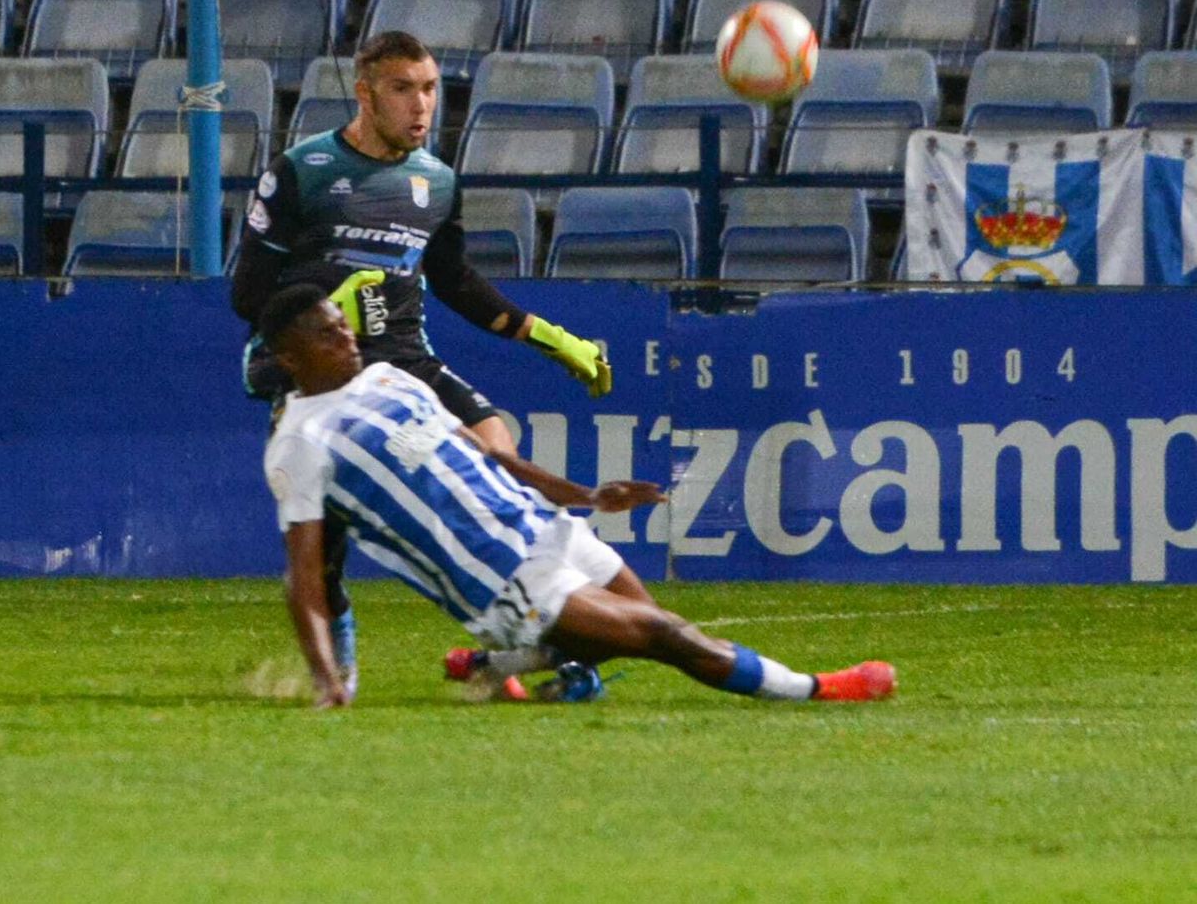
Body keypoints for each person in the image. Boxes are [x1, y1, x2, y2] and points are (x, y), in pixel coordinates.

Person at [258, 283, 899, 709]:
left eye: (344, 326)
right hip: (501, 576)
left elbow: (495, 458)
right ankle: (819, 688)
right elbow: (305, 575)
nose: (347, 338)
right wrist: (326, 679)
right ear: (290, 357)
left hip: (546, 527)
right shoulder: (301, 441)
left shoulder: (390, 378)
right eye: (327, 335)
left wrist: (589, 496)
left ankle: (495, 667)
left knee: (637, 626)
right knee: (664, 634)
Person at [231, 32, 610, 694]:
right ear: (365, 93)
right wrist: (333, 301)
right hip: (328, 375)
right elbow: (248, 296)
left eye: (431, 89)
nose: (421, 105)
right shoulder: (301, 172)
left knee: (502, 472)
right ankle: (340, 658)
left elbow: (456, 280)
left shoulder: (436, 182)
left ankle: (543, 650)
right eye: (403, 89)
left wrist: (552, 339)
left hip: (409, 362)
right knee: (323, 545)